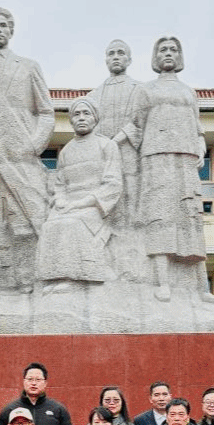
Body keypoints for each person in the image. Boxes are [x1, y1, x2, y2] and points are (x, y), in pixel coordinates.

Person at [0, 7, 54, 295]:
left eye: (4, 25)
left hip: (22, 156)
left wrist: (34, 145)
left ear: (11, 30)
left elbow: (46, 112)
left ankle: (26, 278)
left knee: (24, 219)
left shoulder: (28, 66)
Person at [133, 36, 208, 301]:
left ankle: (201, 288)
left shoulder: (189, 92)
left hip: (186, 156)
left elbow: (198, 127)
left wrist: (201, 145)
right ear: (155, 56)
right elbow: (137, 126)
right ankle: (162, 281)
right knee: (160, 215)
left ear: (179, 55)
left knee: (190, 216)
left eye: (173, 49)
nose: (168, 53)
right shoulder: (146, 90)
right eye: (163, 49)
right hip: (156, 156)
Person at [34, 97, 122, 291]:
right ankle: (54, 277)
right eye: (76, 114)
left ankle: (76, 279)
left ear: (95, 118)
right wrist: (60, 200)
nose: (81, 118)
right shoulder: (66, 150)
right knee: (49, 225)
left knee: (72, 223)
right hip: (69, 204)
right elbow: (60, 184)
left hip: (94, 206)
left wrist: (82, 203)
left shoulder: (107, 145)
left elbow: (113, 184)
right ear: (71, 120)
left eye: (86, 113)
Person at [85, 39, 145, 280]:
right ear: (106, 59)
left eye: (121, 53)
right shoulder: (94, 95)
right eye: (111, 53)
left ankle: (132, 263)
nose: (116, 57)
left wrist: (117, 140)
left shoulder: (140, 90)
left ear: (129, 59)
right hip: (102, 159)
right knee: (105, 206)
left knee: (130, 206)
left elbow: (140, 122)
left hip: (129, 156)